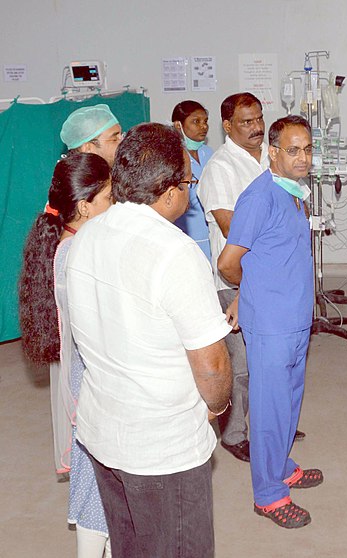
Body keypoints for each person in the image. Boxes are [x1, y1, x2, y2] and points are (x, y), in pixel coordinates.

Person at [66, 123, 232, 557]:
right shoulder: (174, 253)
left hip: (104, 435)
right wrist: (216, 407)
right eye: (188, 181)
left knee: (131, 548)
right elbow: (212, 364)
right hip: (163, 450)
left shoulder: (85, 238)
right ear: (170, 191)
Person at [217, 115, 322, 529]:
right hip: (273, 321)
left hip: (295, 317)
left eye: (308, 149)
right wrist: (250, 294)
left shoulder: (295, 192)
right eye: (292, 150)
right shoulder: (260, 197)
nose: (302, 158)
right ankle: (268, 493)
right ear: (272, 152)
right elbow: (229, 263)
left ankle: (281, 465)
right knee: (268, 407)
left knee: (290, 399)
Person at [19, 153, 114, 558]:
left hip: (89, 375)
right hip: (96, 381)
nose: (117, 203)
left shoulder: (69, 244)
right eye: (110, 196)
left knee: (104, 489)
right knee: (98, 490)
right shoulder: (80, 256)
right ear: (84, 206)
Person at [196, 92, 270, 461]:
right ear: (227, 126)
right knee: (240, 365)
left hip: (270, 277)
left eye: (259, 118)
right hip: (234, 282)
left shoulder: (269, 157)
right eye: (246, 121)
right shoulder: (221, 168)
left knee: (269, 359)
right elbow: (232, 227)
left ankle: (267, 422)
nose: (257, 127)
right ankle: (234, 434)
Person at [172, 100, 213, 260]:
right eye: (196, 122)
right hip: (186, 233)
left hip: (210, 232)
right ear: (178, 125)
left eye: (205, 122)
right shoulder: (173, 157)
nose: (203, 127)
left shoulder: (208, 153)